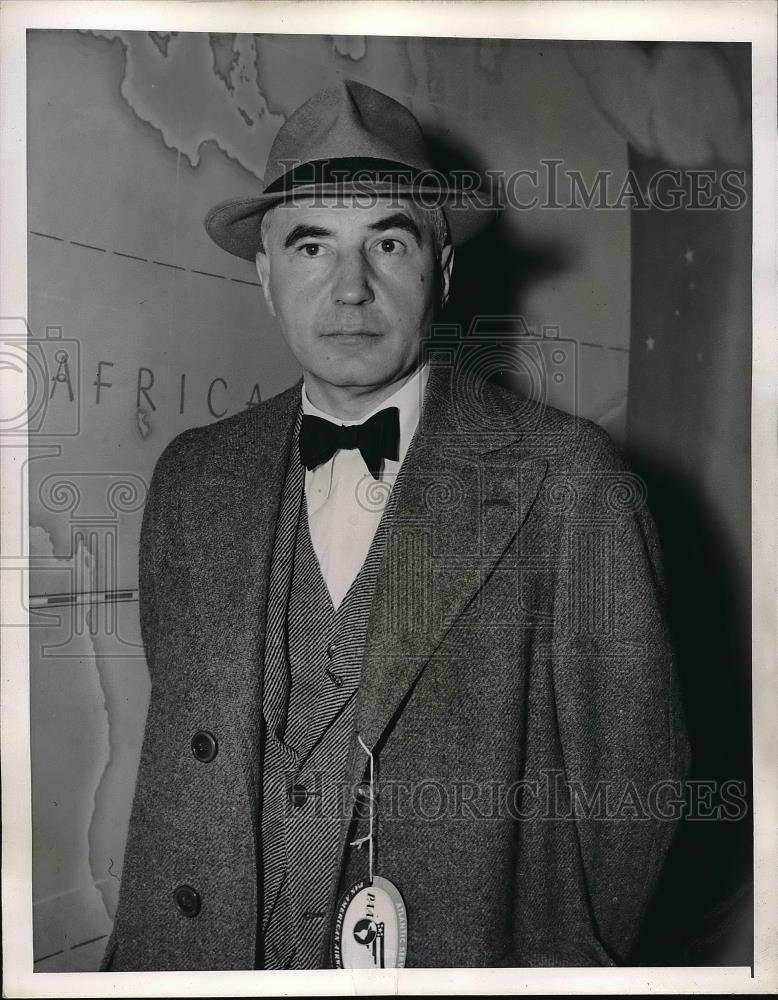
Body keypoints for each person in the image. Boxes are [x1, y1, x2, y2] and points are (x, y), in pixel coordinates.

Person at [101, 80, 690, 971]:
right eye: (311, 245)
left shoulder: (572, 484)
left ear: (442, 270)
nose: (350, 287)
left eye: (388, 240)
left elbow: (633, 796)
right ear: (266, 276)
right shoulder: (193, 479)